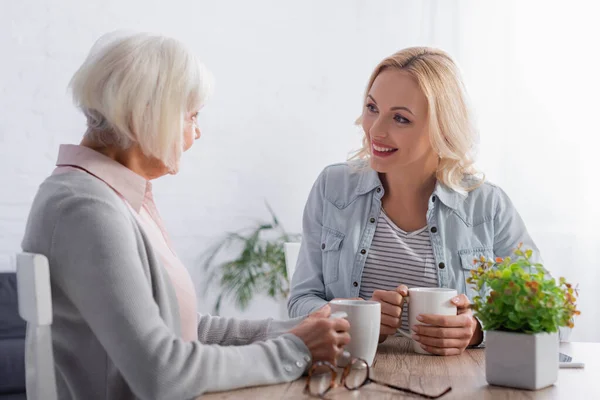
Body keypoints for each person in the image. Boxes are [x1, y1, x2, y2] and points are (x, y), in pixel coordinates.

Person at [21, 31, 350, 399]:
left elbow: (184, 329)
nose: (197, 132)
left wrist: (291, 330)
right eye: (191, 115)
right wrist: (296, 349)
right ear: (145, 115)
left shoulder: (108, 196)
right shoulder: (87, 208)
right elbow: (163, 372)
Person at [288, 47, 539, 356]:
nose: (375, 130)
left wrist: (477, 329)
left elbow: (549, 315)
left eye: (401, 118)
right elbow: (301, 300)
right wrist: (354, 318)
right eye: (372, 108)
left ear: (442, 128)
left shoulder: (487, 206)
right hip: (351, 377)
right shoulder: (333, 187)